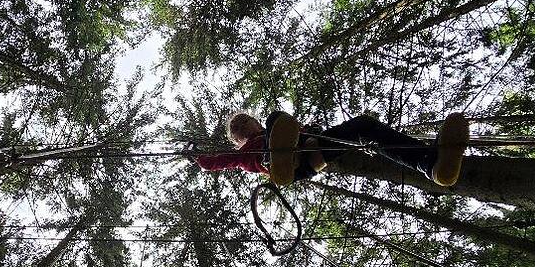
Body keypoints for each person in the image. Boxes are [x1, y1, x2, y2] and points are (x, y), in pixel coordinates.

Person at [191, 110, 469, 187]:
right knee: (276, 117)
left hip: (311, 155)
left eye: (246, 122)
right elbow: (220, 161)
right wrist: (200, 159)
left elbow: (294, 130)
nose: (246, 128)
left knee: (364, 126)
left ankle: (432, 166)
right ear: (239, 139)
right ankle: (280, 161)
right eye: (240, 130)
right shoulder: (243, 154)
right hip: (290, 165)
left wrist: (306, 133)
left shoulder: (281, 132)